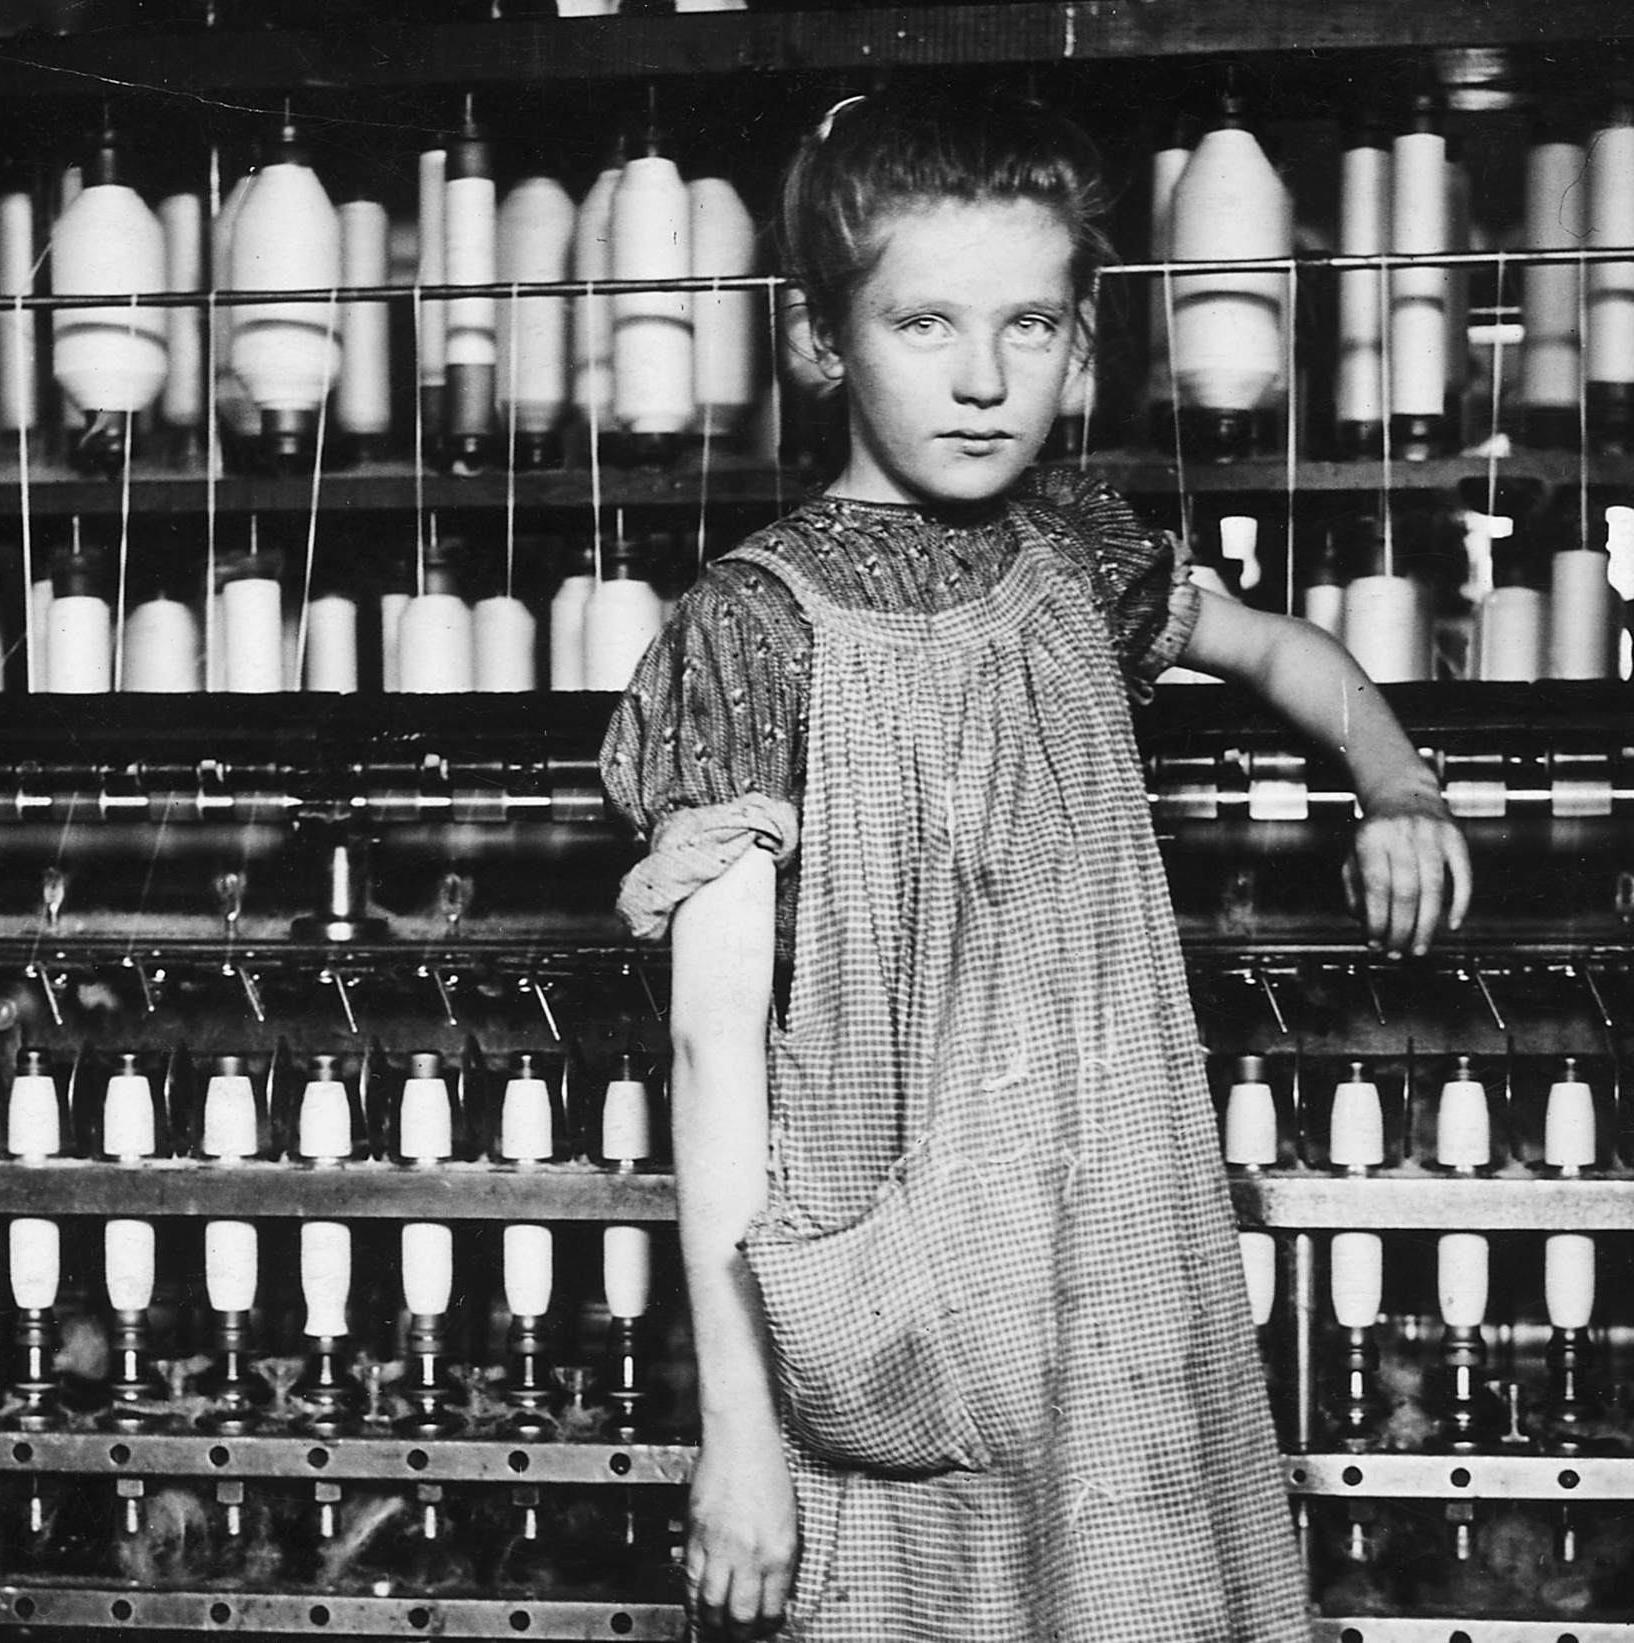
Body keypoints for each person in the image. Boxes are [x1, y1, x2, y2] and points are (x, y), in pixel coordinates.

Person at [600, 88, 1470, 1643]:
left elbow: (1279, 649)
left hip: (1112, 1265)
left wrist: (1396, 782)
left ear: (1081, 346)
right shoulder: (755, 628)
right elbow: (707, 1045)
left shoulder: (1081, 552)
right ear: (818, 342)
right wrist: (738, 1438)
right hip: (892, 1276)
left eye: (1030, 325)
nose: (984, 380)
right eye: (924, 322)